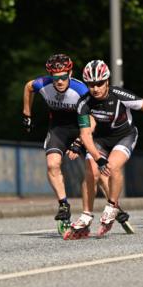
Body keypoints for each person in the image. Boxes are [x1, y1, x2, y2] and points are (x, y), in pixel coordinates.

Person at [63, 59, 143, 239]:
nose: (95, 88)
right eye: (91, 84)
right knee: (91, 171)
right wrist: (98, 158)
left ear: (107, 81)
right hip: (100, 140)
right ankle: (86, 215)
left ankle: (112, 207)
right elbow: (86, 135)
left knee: (111, 168)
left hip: (124, 136)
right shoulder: (84, 103)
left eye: (99, 83)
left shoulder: (119, 94)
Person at [22, 53, 89, 231]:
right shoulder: (42, 84)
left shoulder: (81, 90)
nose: (59, 82)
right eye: (55, 77)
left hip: (82, 127)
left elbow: (91, 121)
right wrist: (27, 114)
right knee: (52, 165)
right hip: (58, 128)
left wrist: (79, 142)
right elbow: (28, 87)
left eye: (63, 77)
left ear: (71, 73)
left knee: (96, 169)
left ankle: (114, 204)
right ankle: (63, 205)